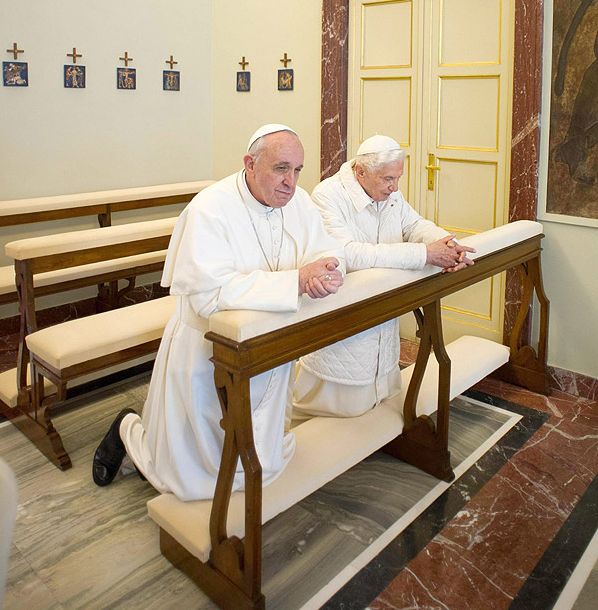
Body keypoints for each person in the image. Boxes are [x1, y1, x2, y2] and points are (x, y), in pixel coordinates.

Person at [92, 124, 344, 500]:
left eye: (297, 170)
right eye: (281, 168)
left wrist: (325, 271)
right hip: (207, 351)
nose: (291, 182)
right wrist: (296, 281)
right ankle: (126, 430)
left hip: (267, 346)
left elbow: (323, 249)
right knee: (188, 467)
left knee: (258, 448)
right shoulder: (210, 209)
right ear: (250, 164)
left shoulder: (300, 202)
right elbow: (209, 295)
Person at [293, 134, 475, 420]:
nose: (395, 187)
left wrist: (448, 244)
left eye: (398, 178)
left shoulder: (389, 192)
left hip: (383, 304)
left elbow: (414, 225)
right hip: (345, 308)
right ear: (361, 172)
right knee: (337, 409)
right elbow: (348, 253)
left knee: (381, 404)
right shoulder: (327, 195)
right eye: (388, 179)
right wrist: (425, 254)